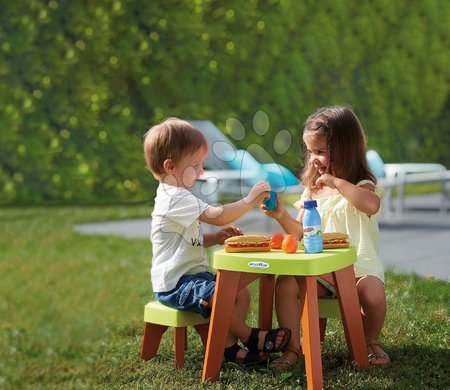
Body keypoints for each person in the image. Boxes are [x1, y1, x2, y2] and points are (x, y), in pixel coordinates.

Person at [144, 118, 291, 366]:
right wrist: (250, 200)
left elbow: (187, 238)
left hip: (193, 276)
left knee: (239, 291)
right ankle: (250, 336)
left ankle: (229, 347)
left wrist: (214, 238)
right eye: (196, 165)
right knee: (222, 294)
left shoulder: (177, 196)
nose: (202, 172)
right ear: (170, 167)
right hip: (175, 284)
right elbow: (218, 215)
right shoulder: (176, 198)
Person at [263, 106, 389, 370]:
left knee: (373, 291)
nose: (313, 159)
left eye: (319, 152)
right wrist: (280, 215)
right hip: (324, 274)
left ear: (343, 149)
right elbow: (299, 233)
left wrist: (337, 183)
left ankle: (370, 341)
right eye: (310, 152)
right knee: (286, 284)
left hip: (358, 273)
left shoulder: (361, 185)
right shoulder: (312, 192)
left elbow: (371, 205)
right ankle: (293, 348)